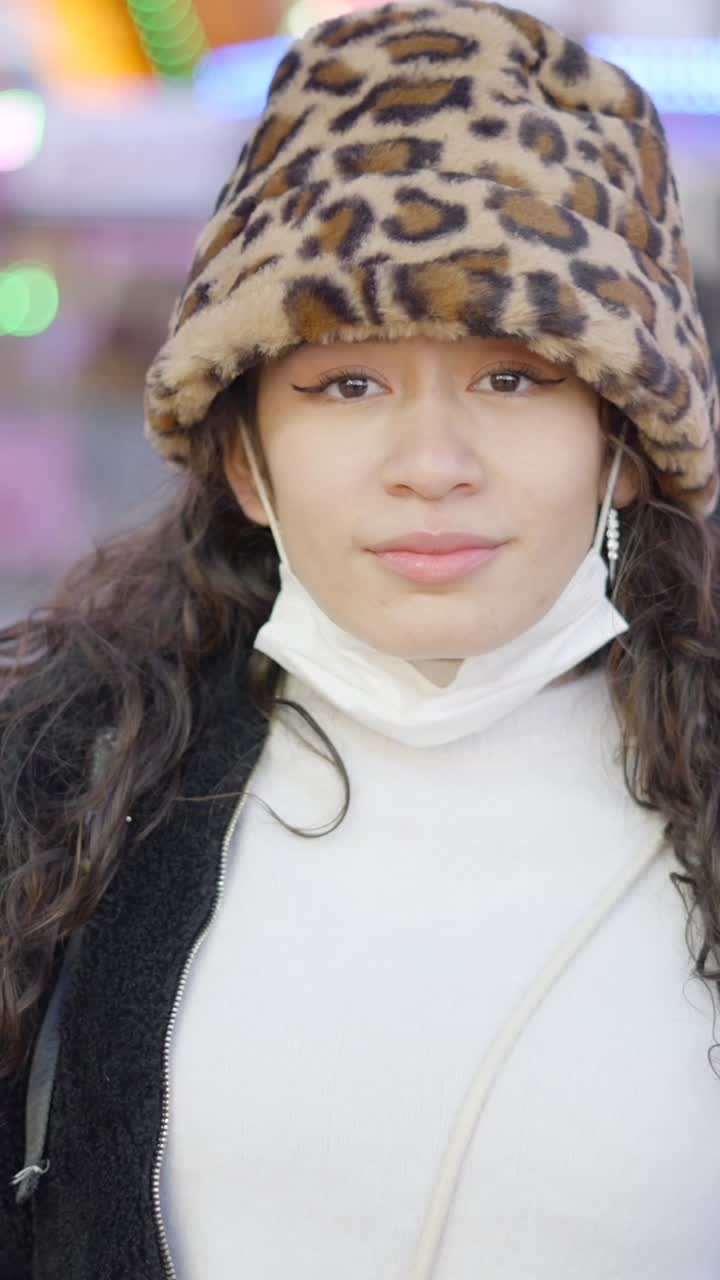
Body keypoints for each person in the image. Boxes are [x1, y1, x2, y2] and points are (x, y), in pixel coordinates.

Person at [2, 1, 720, 1276]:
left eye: (513, 375)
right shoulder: (56, 795)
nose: (430, 465)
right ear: (245, 459)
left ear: (622, 443)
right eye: (347, 383)